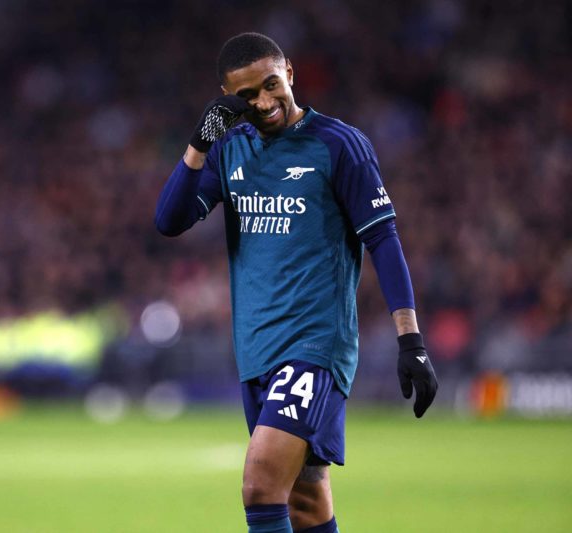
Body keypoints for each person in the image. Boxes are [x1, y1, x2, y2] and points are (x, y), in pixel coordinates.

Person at [155, 32, 438, 533]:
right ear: (227, 95)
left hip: (314, 346)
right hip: (256, 350)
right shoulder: (230, 153)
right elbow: (169, 220)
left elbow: (383, 241)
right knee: (305, 506)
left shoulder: (338, 145)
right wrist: (200, 143)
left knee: (261, 485)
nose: (263, 103)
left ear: (289, 73)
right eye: (246, 96)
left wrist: (410, 339)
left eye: (270, 85)